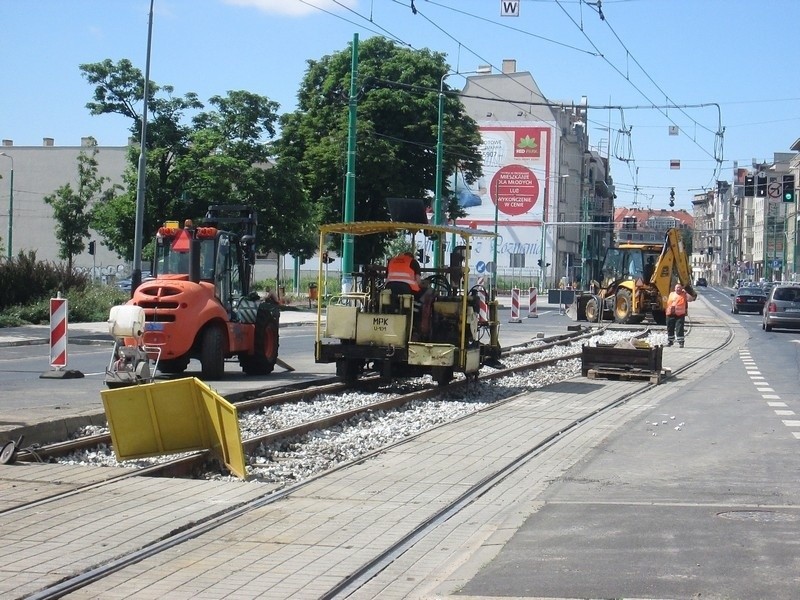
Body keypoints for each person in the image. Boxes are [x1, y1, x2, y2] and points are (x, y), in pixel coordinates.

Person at [665, 283, 696, 348]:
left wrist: (687, 292)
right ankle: (670, 341)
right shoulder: (671, 294)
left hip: (680, 315)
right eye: (677, 288)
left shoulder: (684, 295)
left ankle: (681, 342)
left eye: (679, 288)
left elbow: (691, 299)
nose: (678, 289)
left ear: (681, 289)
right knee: (670, 328)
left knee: (679, 329)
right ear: (675, 288)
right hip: (670, 314)